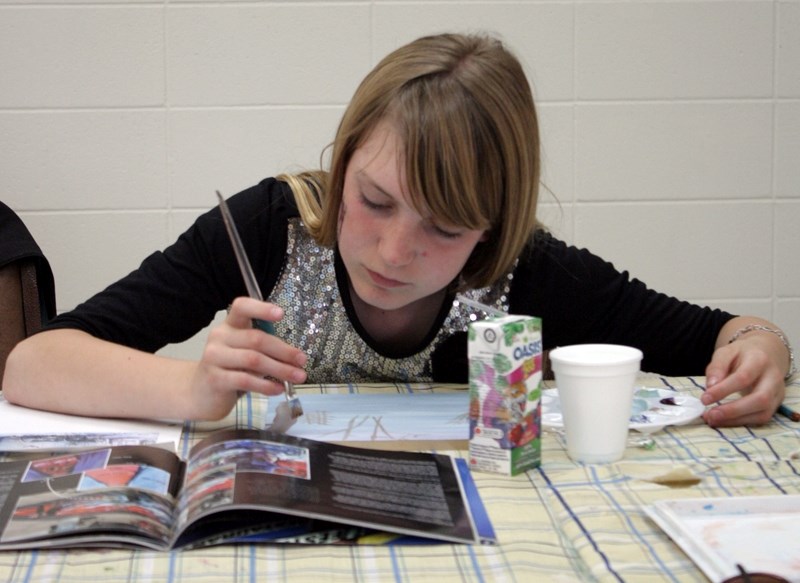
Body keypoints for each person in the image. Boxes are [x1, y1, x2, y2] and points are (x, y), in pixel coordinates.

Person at [3, 33, 795, 428]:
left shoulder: (527, 270)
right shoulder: (273, 228)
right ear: (343, 163)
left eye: (444, 228)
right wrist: (193, 387)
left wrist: (763, 343)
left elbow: (724, 334)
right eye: (374, 200)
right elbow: (33, 364)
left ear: (491, 232)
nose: (391, 252)